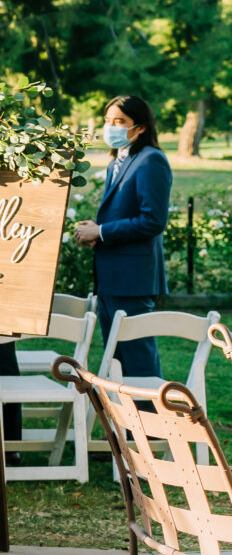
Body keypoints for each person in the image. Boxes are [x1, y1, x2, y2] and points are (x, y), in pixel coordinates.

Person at [75, 94, 171, 378]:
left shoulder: (151, 160)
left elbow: (153, 220)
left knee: (138, 363)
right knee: (116, 362)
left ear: (139, 127)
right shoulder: (116, 161)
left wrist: (102, 231)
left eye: (119, 121)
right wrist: (98, 230)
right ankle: (125, 422)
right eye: (107, 121)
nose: (111, 127)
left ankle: (152, 420)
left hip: (132, 279)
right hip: (110, 278)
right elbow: (124, 214)